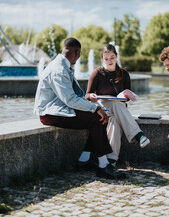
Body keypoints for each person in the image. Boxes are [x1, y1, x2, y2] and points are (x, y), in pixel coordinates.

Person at [34, 38, 126, 179]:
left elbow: (73, 98)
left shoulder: (62, 65)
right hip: (50, 114)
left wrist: (93, 107)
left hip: (59, 109)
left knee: (97, 117)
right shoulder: (58, 70)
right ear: (76, 52)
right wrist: (95, 109)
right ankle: (103, 166)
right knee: (96, 118)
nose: (79, 57)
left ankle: (84, 160)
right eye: (80, 53)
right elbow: (70, 99)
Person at [85, 44, 150, 167]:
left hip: (118, 108)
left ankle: (111, 160)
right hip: (102, 108)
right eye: (106, 58)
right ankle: (138, 134)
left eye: (112, 57)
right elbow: (87, 94)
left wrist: (125, 97)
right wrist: (91, 96)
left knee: (114, 121)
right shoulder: (97, 73)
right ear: (102, 59)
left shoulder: (124, 74)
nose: (109, 61)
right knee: (114, 105)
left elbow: (127, 96)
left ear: (116, 57)